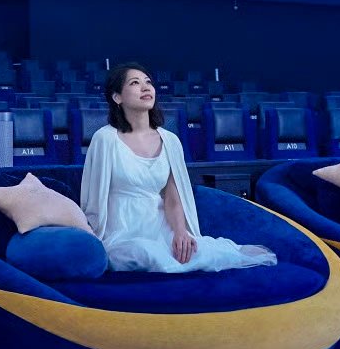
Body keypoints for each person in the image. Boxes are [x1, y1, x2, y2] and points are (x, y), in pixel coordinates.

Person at [79, 64, 277, 273]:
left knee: (199, 251)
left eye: (148, 82)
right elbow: (94, 198)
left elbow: (173, 197)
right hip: (121, 229)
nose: (146, 88)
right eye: (135, 83)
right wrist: (92, 238)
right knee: (143, 253)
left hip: (160, 223)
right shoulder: (105, 138)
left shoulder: (170, 140)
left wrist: (180, 232)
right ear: (117, 97)